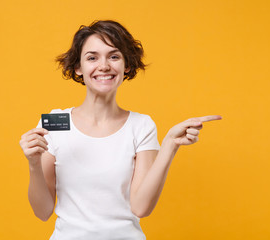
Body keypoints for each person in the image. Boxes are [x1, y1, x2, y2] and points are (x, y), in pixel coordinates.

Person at [19, 20, 222, 240]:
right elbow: (42, 212)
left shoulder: (141, 125)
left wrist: (170, 145)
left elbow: (141, 208)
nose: (104, 65)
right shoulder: (53, 124)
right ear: (78, 67)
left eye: (114, 56)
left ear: (126, 65)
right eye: (92, 57)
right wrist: (33, 163)